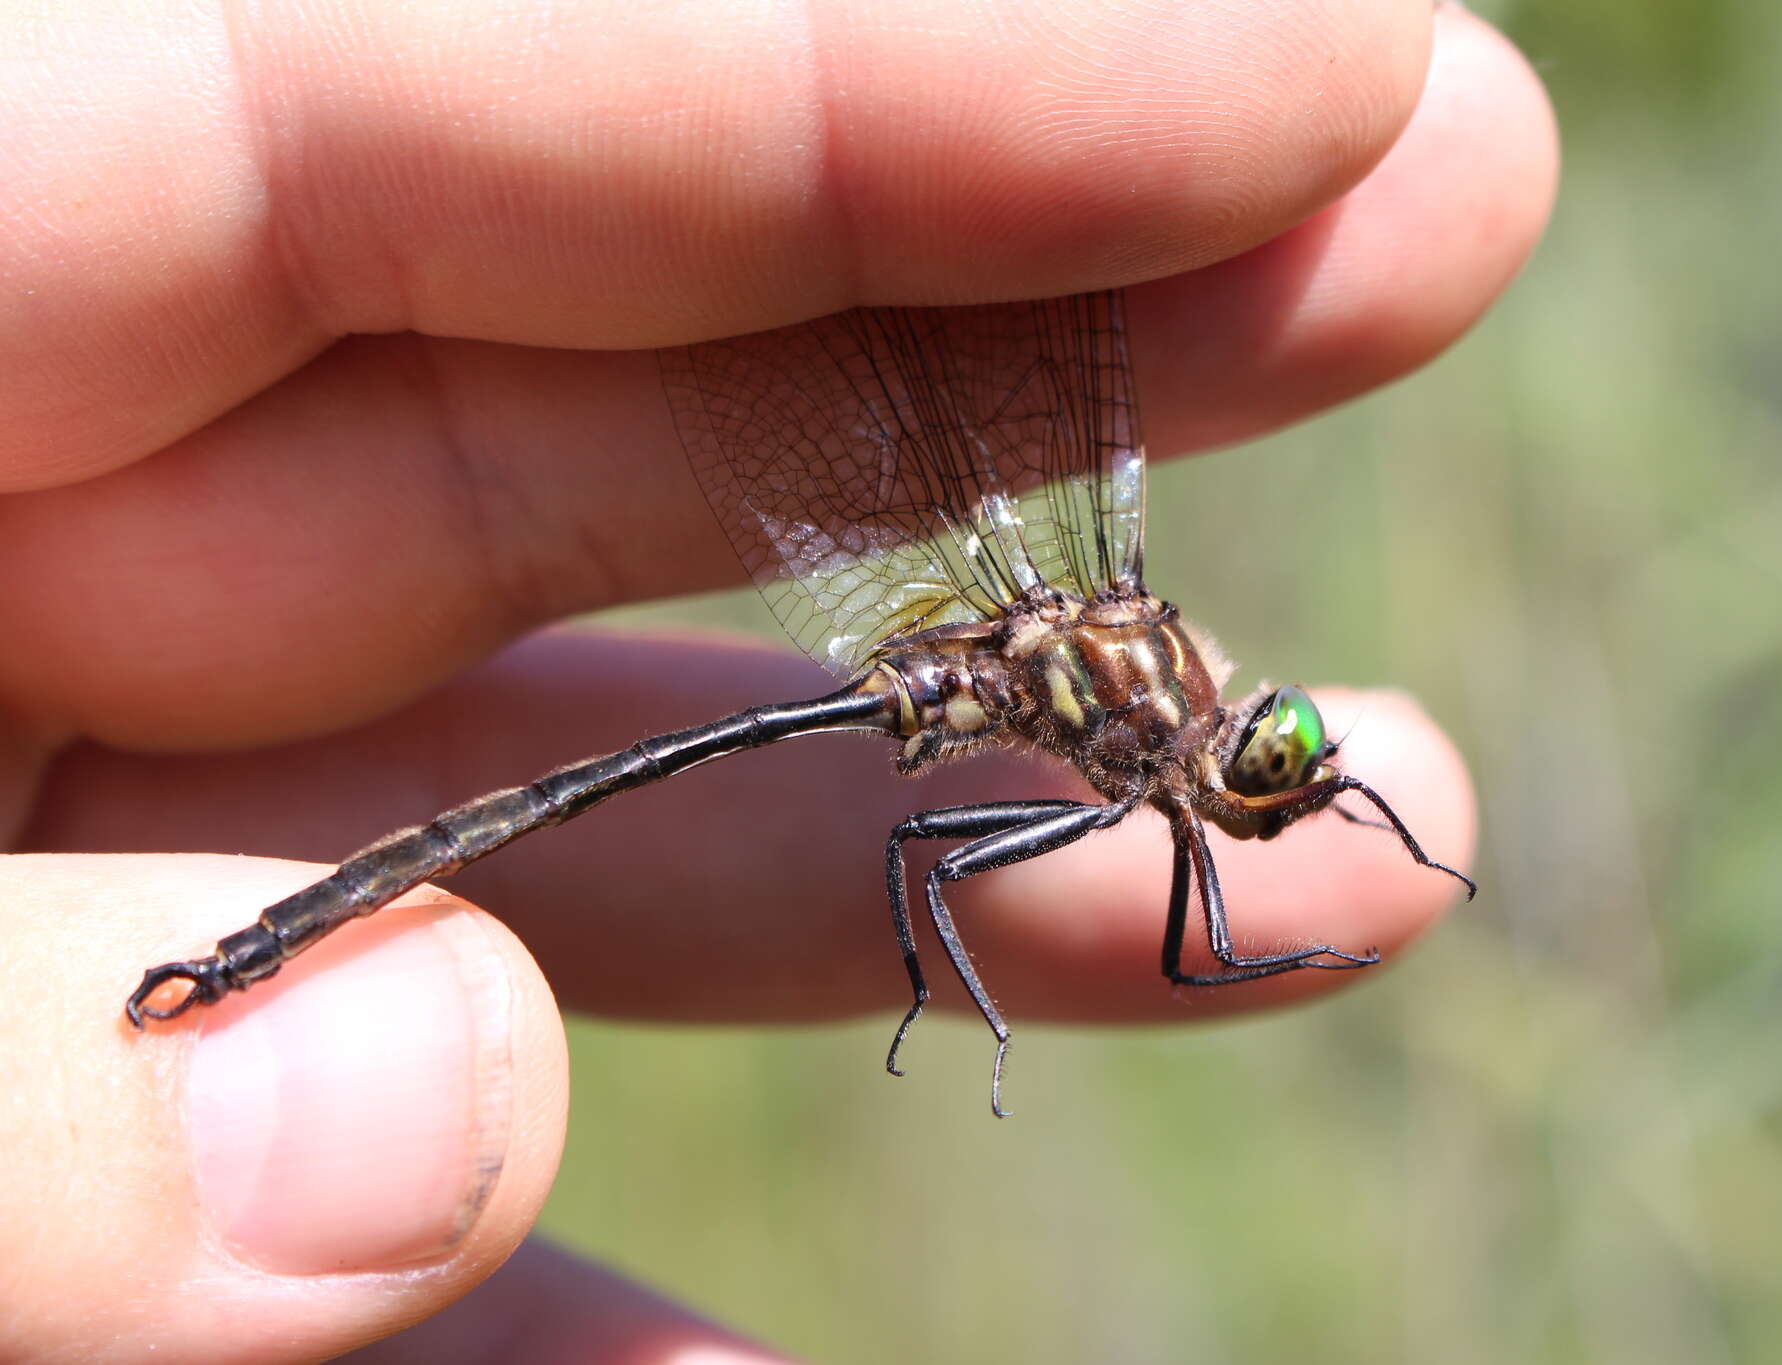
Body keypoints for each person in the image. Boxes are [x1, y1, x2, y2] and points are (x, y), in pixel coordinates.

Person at [0, 0, 1554, 1358]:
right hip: (966, 660)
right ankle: (276, 937)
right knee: (713, 829)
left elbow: (1136, 928)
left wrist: (1302, 941)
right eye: (1279, 756)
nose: (1278, 766)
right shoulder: (1141, 710)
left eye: (1281, 761)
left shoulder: (1148, 706)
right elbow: (1159, 938)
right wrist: (1274, 967)